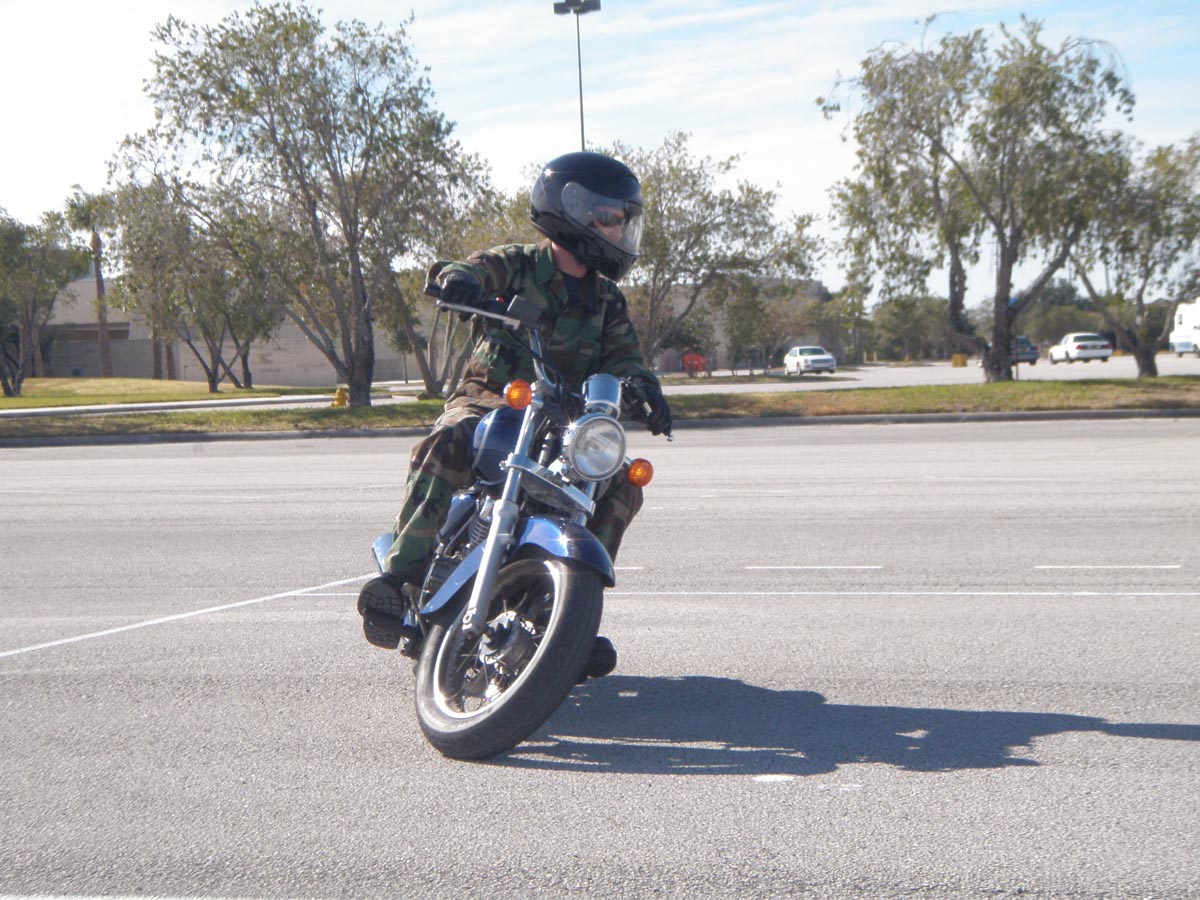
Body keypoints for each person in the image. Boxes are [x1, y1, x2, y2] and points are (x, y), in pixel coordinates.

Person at [357, 151, 672, 679]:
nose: (619, 230)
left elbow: (626, 359)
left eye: (624, 220)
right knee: (448, 440)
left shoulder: (607, 301)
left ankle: (566, 615)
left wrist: (646, 387)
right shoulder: (519, 264)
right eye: (610, 217)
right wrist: (458, 281)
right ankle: (401, 579)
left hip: (563, 421)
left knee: (621, 480)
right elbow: (468, 269)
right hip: (493, 399)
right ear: (573, 210)